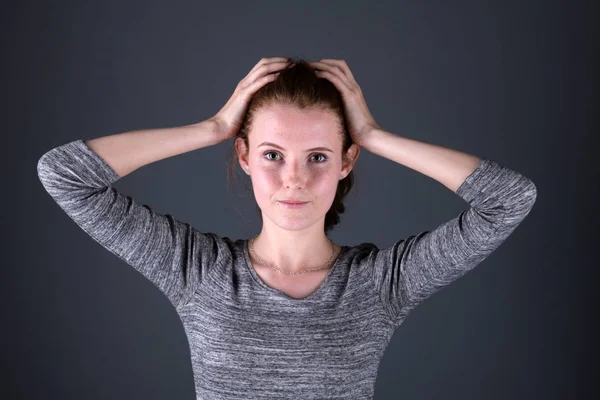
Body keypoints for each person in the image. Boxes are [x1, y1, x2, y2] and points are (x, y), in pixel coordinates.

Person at [37, 57, 537, 399]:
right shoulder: (198, 271)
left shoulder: (380, 284)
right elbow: (64, 174)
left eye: (318, 156)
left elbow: (508, 200)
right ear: (245, 156)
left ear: (346, 162)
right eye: (272, 154)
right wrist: (212, 127)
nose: (294, 179)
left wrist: (373, 135)